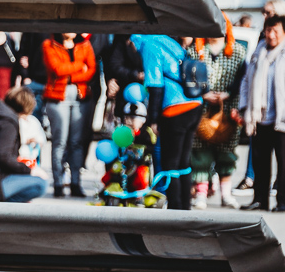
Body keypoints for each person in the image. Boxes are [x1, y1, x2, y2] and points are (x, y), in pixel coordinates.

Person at [238, 14, 285, 212]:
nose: (271, 35)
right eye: (268, 30)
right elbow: (247, 80)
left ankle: (283, 201)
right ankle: (260, 200)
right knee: (260, 162)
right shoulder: (259, 50)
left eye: (275, 31)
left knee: (284, 163)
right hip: (261, 117)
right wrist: (245, 106)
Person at [132, 33, 202, 211]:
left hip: (175, 108)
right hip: (195, 104)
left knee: (170, 163)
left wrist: (153, 121)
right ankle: (185, 208)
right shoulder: (168, 41)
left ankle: (175, 210)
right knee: (183, 162)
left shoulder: (148, 46)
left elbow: (155, 85)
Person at [189, 20, 248, 209]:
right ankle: (201, 193)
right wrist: (202, 93)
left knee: (227, 152)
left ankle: (226, 194)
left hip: (229, 108)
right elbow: (188, 77)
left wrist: (228, 93)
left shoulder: (238, 52)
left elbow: (242, 79)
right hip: (202, 108)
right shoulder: (195, 50)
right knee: (200, 153)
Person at [39, 32, 96, 198]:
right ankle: (58, 183)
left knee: (76, 142)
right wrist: (80, 66)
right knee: (60, 141)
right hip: (58, 97)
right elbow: (56, 69)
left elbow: (91, 70)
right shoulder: (49, 44)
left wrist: (70, 75)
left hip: (80, 96)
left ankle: (76, 182)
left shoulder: (85, 45)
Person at [0, 87, 47, 203]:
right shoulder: (8, 123)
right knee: (40, 184)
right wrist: (29, 170)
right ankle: (2, 207)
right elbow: (3, 156)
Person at [99, 101, 161, 207]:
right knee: (113, 170)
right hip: (123, 164)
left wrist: (136, 139)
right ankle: (111, 189)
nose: (130, 121)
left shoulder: (146, 133)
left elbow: (151, 148)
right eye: (127, 118)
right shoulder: (121, 132)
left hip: (139, 165)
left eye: (134, 118)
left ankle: (139, 196)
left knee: (141, 174)